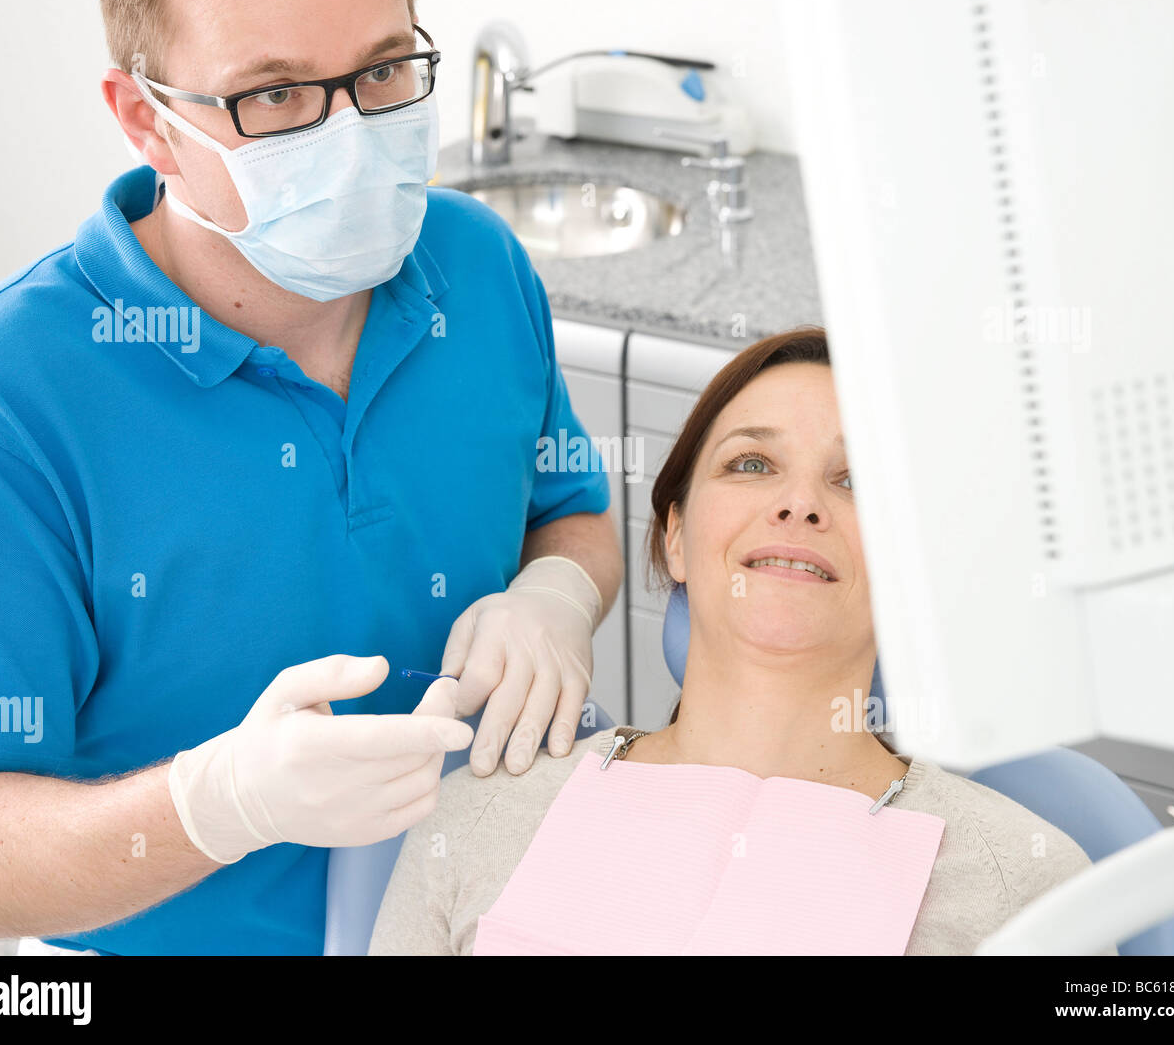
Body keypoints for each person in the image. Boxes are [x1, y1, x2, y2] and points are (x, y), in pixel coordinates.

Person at [0, 0, 622, 955]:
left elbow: (572, 512)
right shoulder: (4, 397)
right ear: (144, 119)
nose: (351, 137)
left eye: (385, 70)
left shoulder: (476, 264)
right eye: (275, 94)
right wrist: (216, 805)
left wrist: (556, 596)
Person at [367, 326, 1119, 956]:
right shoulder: (474, 819)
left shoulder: (1024, 884)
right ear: (677, 539)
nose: (799, 504)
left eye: (856, 481)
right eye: (751, 464)